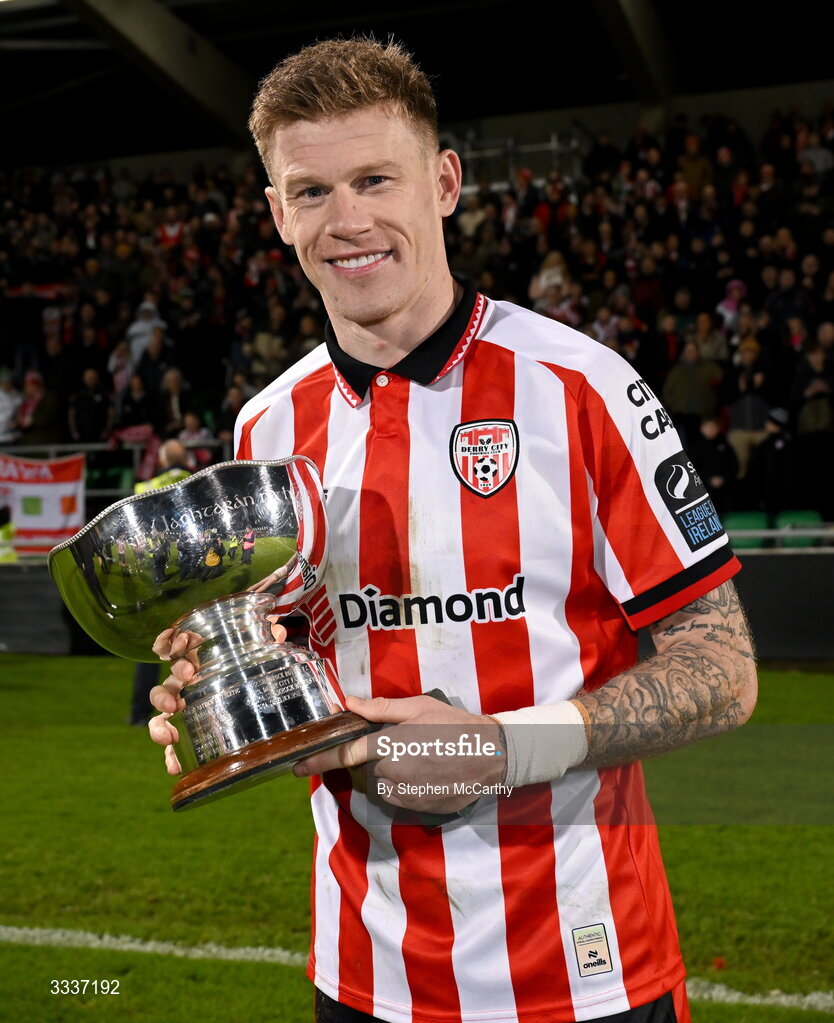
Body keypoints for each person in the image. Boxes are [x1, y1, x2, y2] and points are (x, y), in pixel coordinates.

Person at [148, 38, 756, 1023]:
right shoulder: (266, 425)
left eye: (375, 179)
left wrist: (498, 748)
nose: (347, 221)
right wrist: (227, 691)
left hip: (584, 968)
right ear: (275, 214)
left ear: (443, 182)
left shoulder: (583, 388)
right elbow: (301, 656)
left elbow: (722, 671)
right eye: (310, 192)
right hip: (364, 972)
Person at [128, 439, 191, 725]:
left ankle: (140, 713)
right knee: (195, 642)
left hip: (158, 576)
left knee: (156, 645)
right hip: (193, 575)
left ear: (163, 462)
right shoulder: (198, 481)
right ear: (186, 459)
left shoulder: (145, 488)